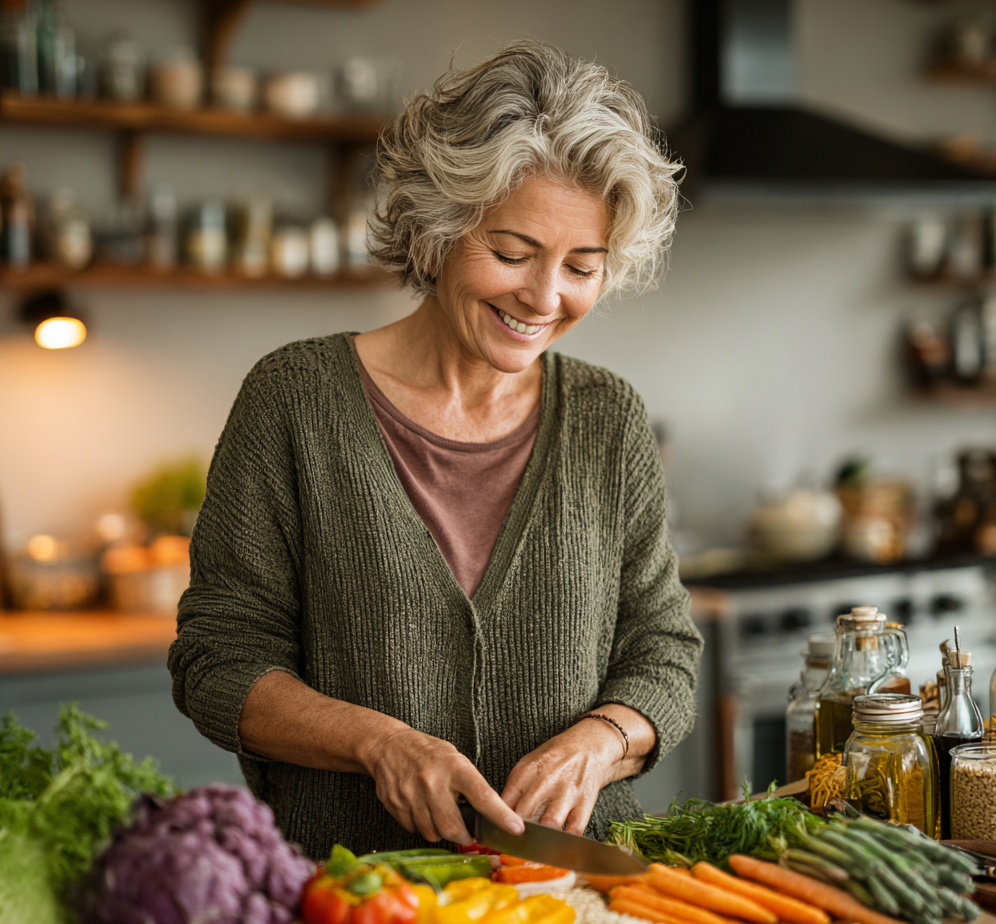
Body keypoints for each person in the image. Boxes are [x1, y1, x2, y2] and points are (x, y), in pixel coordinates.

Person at [170, 41, 703, 860]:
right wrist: (376, 742)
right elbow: (218, 660)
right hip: (354, 901)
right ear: (439, 229)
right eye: (513, 253)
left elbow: (663, 651)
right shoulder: (295, 401)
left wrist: (600, 739)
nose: (544, 296)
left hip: (573, 901)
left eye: (582, 267)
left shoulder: (608, 418)